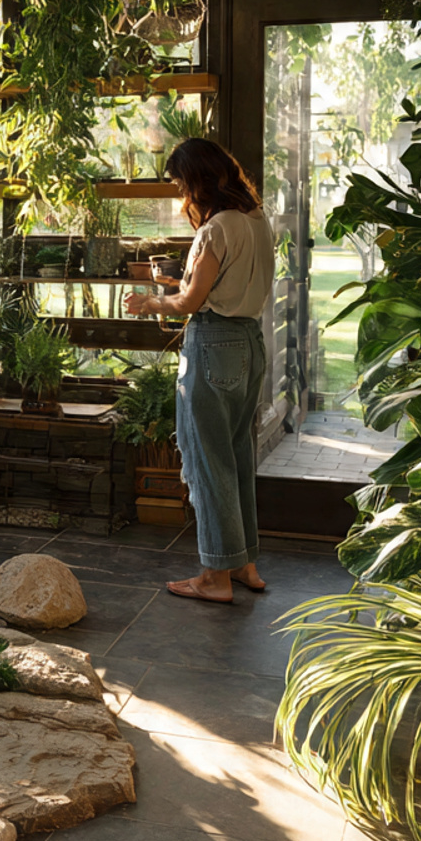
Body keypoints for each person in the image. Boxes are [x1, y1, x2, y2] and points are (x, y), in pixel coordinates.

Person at [124, 138, 274, 604]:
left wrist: (149, 301)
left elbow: (191, 304)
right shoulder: (257, 219)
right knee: (235, 457)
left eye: (180, 183)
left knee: (208, 464)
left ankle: (215, 577)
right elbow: (222, 285)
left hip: (212, 345)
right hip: (249, 343)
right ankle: (245, 563)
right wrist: (180, 280)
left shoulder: (215, 229)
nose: (180, 194)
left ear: (199, 180)